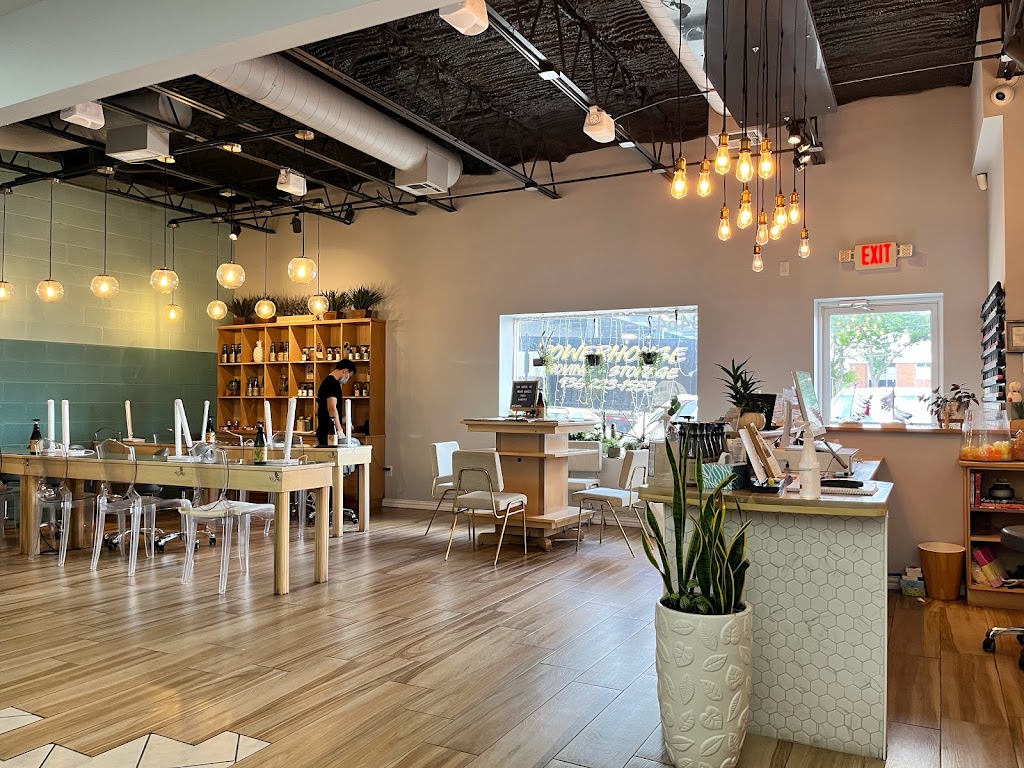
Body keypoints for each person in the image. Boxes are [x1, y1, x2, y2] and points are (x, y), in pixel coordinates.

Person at [316, 360, 356, 446]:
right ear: (345, 371)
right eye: (349, 377)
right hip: (330, 434)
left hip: (325, 431)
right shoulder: (332, 383)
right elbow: (332, 408)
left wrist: (344, 420)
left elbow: (319, 409)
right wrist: (339, 431)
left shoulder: (326, 382)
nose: (347, 380)